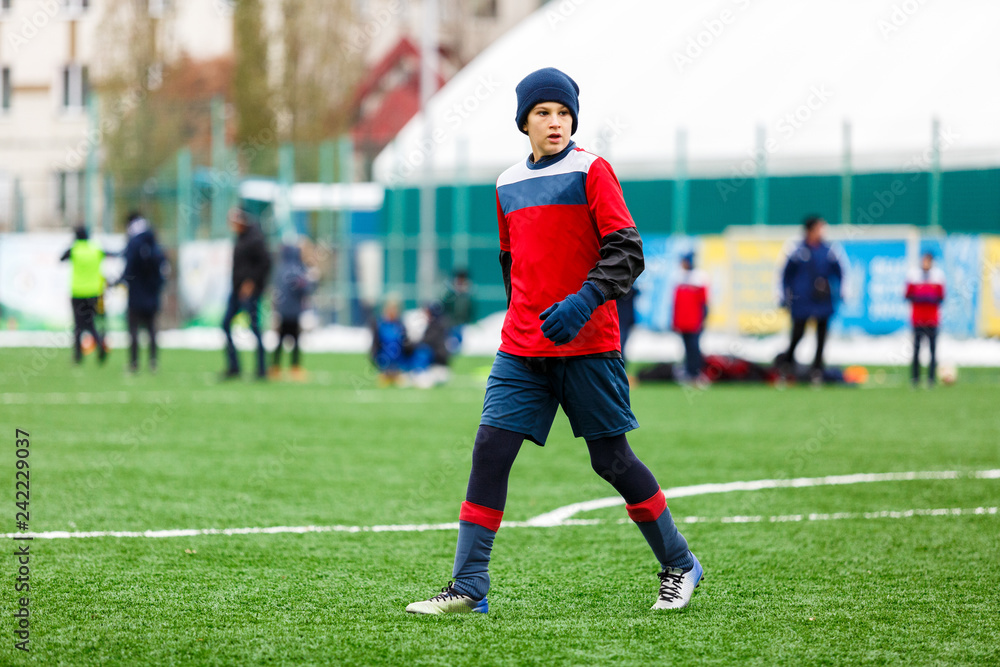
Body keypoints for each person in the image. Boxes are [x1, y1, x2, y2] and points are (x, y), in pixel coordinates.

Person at [406, 67, 701, 616]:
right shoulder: (506, 183)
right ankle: (470, 586)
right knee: (490, 451)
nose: (555, 122)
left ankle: (680, 564)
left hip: (589, 345)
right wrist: (525, 317)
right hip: (522, 348)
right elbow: (511, 262)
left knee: (611, 460)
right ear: (524, 122)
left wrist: (582, 302)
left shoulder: (593, 170)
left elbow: (628, 253)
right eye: (543, 112)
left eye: (563, 113)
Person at [779, 215, 846, 383]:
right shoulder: (795, 249)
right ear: (810, 230)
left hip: (822, 299)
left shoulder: (830, 249)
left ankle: (817, 370)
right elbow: (784, 274)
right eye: (819, 227)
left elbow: (842, 271)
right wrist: (782, 296)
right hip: (801, 299)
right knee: (797, 334)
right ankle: (786, 365)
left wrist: (843, 291)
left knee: (822, 335)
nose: (822, 231)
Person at [221, 208, 271, 380]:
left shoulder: (255, 239)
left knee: (255, 328)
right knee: (225, 324)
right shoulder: (241, 238)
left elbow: (265, 263)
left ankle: (262, 369)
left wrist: (251, 283)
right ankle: (234, 367)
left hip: (249, 292)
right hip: (236, 291)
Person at [116, 212, 167, 373]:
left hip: (136, 294)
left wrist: (121, 281)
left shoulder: (134, 243)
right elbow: (162, 270)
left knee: (134, 329)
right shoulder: (153, 242)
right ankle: (153, 362)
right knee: (151, 328)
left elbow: (129, 268)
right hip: (151, 294)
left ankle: (134, 363)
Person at [60, 226, 109, 365]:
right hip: (94, 292)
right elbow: (110, 254)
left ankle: (77, 355)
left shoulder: (75, 250)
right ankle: (100, 345)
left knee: (78, 325)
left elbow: (61, 258)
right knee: (91, 323)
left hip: (77, 293)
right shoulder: (96, 249)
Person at [270, 241, 314, 381]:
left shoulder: (280, 268)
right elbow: (304, 288)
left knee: (280, 341)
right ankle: (295, 367)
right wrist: (312, 280)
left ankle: (275, 367)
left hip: (282, 311)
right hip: (294, 312)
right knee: (295, 341)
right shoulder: (296, 269)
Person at [905, 251, 945, 387]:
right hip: (918, 319)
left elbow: (941, 297)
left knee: (933, 350)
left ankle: (931, 379)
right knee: (916, 349)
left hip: (932, 319)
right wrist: (922, 297)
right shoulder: (913, 275)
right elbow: (907, 295)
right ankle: (915, 379)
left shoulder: (938, 276)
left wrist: (928, 298)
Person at [672, 251, 708, 382]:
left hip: (694, 322)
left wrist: (703, 319)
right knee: (687, 348)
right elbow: (676, 304)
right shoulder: (679, 277)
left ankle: (696, 373)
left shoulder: (699, 277)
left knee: (694, 347)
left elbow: (704, 302)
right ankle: (688, 372)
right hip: (683, 322)